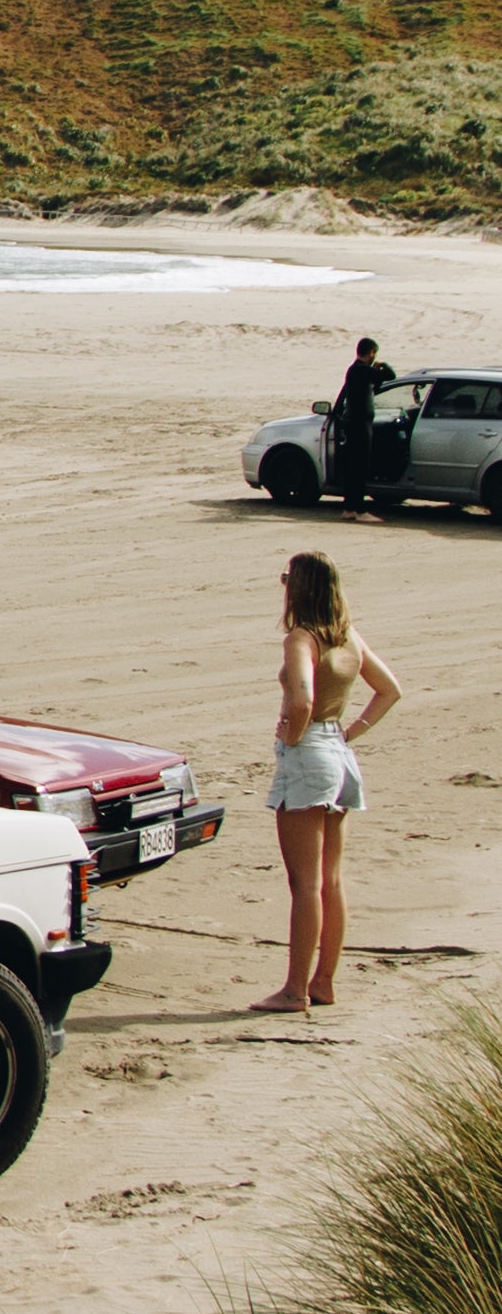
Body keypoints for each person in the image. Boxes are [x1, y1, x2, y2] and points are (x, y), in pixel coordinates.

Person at [256, 551, 402, 1012]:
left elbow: (301, 699)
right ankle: (323, 981)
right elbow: (389, 689)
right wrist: (350, 731)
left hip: (310, 755)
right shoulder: (348, 637)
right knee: (330, 881)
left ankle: (295, 989)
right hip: (338, 752)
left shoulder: (302, 638)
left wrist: (293, 737)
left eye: (286, 578)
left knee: (304, 883)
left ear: (300, 588)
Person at [329, 335, 391, 518]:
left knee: (353, 468)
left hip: (354, 424)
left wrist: (336, 413)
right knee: (359, 468)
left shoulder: (355, 371)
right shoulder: (362, 370)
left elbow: (344, 393)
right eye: (374, 354)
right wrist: (382, 365)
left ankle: (350, 509)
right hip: (359, 426)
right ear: (371, 352)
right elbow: (390, 376)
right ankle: (358, 509)